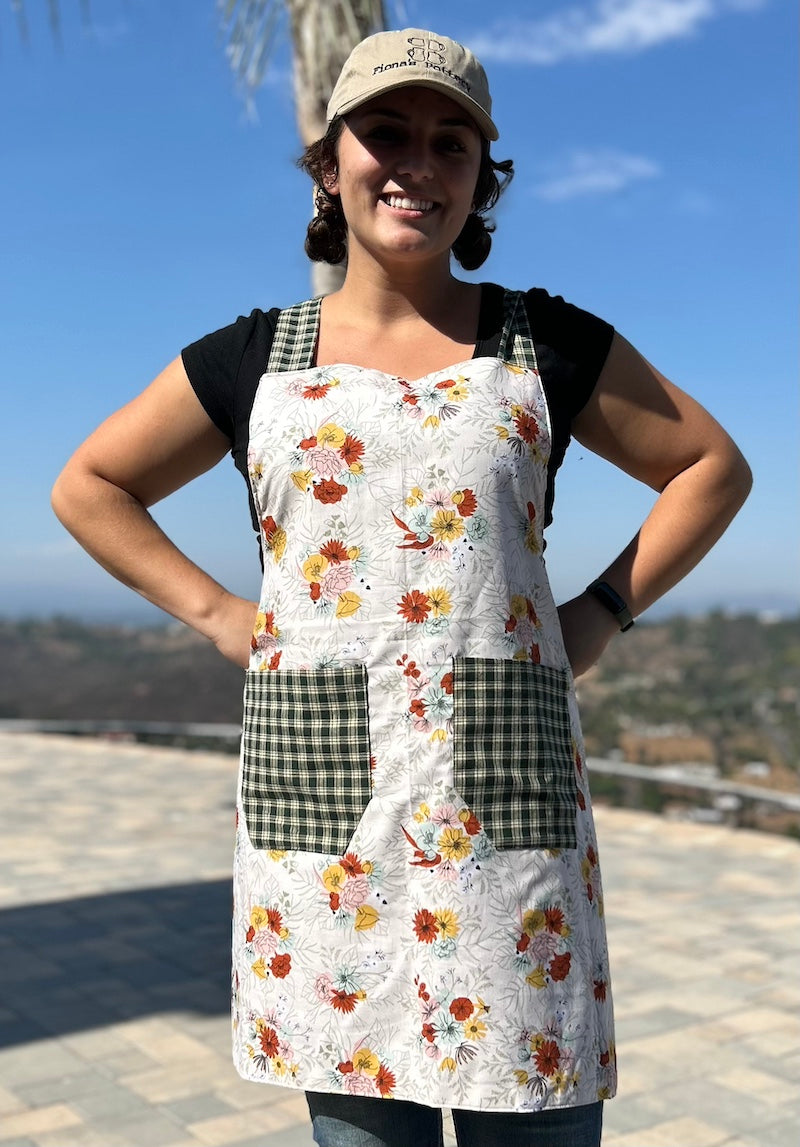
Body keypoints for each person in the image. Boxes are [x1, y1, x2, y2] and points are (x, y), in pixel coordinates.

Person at [51, 27, 751, 1147]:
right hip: (328, 827)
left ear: (481, 177)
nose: (413, 162)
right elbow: (90, 484)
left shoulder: (544, 342)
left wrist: (600, 611)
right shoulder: (252, 359)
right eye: (383, 132)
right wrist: (225, 616)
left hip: (504, 808)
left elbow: (709, 467)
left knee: (536, 1112)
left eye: (448, 142)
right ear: (331, 163)